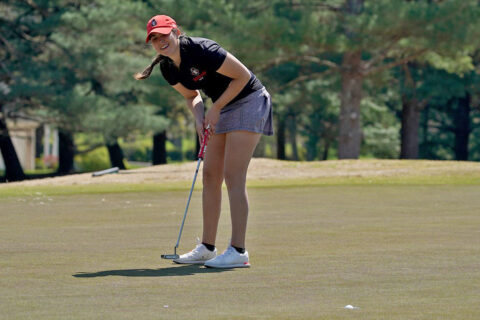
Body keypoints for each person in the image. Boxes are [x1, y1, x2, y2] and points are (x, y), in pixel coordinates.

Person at [135, 15, 273, 268]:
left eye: (164, 34)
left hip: (249, 100)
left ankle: (238, 251)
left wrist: (216, 108)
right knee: (210, 175)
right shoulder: (167, 67)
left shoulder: (201, 49)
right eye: (154, 38)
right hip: (222, 108)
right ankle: (208, 248)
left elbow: (242, 76)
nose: (160, 41)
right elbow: (191, 96)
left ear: (176, 31)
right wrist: (199, 117)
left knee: (233, 176)